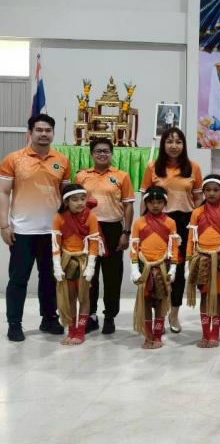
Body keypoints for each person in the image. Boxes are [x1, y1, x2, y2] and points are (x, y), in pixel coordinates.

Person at [1, 113, 71, 342]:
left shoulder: (62, 160)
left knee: (50, 278)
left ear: (53, 133)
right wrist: (4, 225)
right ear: (30, 133)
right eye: (39, 130)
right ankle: (14, 323)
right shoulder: (13, 159)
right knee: (18, 279)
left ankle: (49, 319)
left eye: (48, 130)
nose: (43, 134)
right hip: (22, 232)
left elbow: (66, 197)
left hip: (52, 232)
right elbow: (3, 193)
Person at [140, 127, 203, 334]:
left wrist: (197, 227)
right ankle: (157, 313)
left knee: (178, 270)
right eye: (169, 141)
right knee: (156, 268)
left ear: (183, 145)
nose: (173, 146)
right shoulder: (152, 167)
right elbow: (144, 199)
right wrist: (142, 225)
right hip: (158, 221)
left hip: (184, 223)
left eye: (178, 141)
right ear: (163, 144)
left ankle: (174, 313)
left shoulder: (193, 168)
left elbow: (198, 200)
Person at [76, 137, 135, 335]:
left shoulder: (121, 176)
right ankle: (90, 315)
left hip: (113, 230)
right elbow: (74, 204)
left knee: (112, 276)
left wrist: (126, 232)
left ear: (111, 154)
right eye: (98, 151)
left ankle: (110, 316)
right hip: (88, 231)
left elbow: (128, 206)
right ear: (92, 154)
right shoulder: (81, 176)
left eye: (106, 151)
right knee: (89, 275)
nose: (102, 154)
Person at [185, 175, 220, 348]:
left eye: (216, 190)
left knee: (219, 296)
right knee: (205, 295)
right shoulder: (197, 212)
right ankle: (205, 334)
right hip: (202, 259)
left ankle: (214, 334)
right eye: (208, 190)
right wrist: (188, 264)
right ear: (203, 192)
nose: (212, 193)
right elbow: (191, 239)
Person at [129, 186, 180, 349]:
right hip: (144, 267)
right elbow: (134, 248)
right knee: (145, 301)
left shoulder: (170, 222)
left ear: (165, 203)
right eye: (151, 202)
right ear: (146, 203)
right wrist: (134, 269)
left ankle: (157, 336)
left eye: (159, 202)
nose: (155, 205)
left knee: (160, 301)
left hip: (163, 266)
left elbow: (173, 248)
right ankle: (148, 336)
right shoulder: (139, 222)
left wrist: (173, 269)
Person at [51, 184, 101, 345]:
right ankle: (71, 330)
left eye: (83, 199)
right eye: (75, 200)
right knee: (70, 297)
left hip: (84, 260)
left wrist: (91, 266)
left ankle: (80, 332)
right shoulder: (58, 218)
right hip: (67, 261)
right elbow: (56, 244)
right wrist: (57, 266)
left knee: (84, 297)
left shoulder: (91, 216)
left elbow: (94, 243)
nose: (80, 203)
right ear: (66, 202)